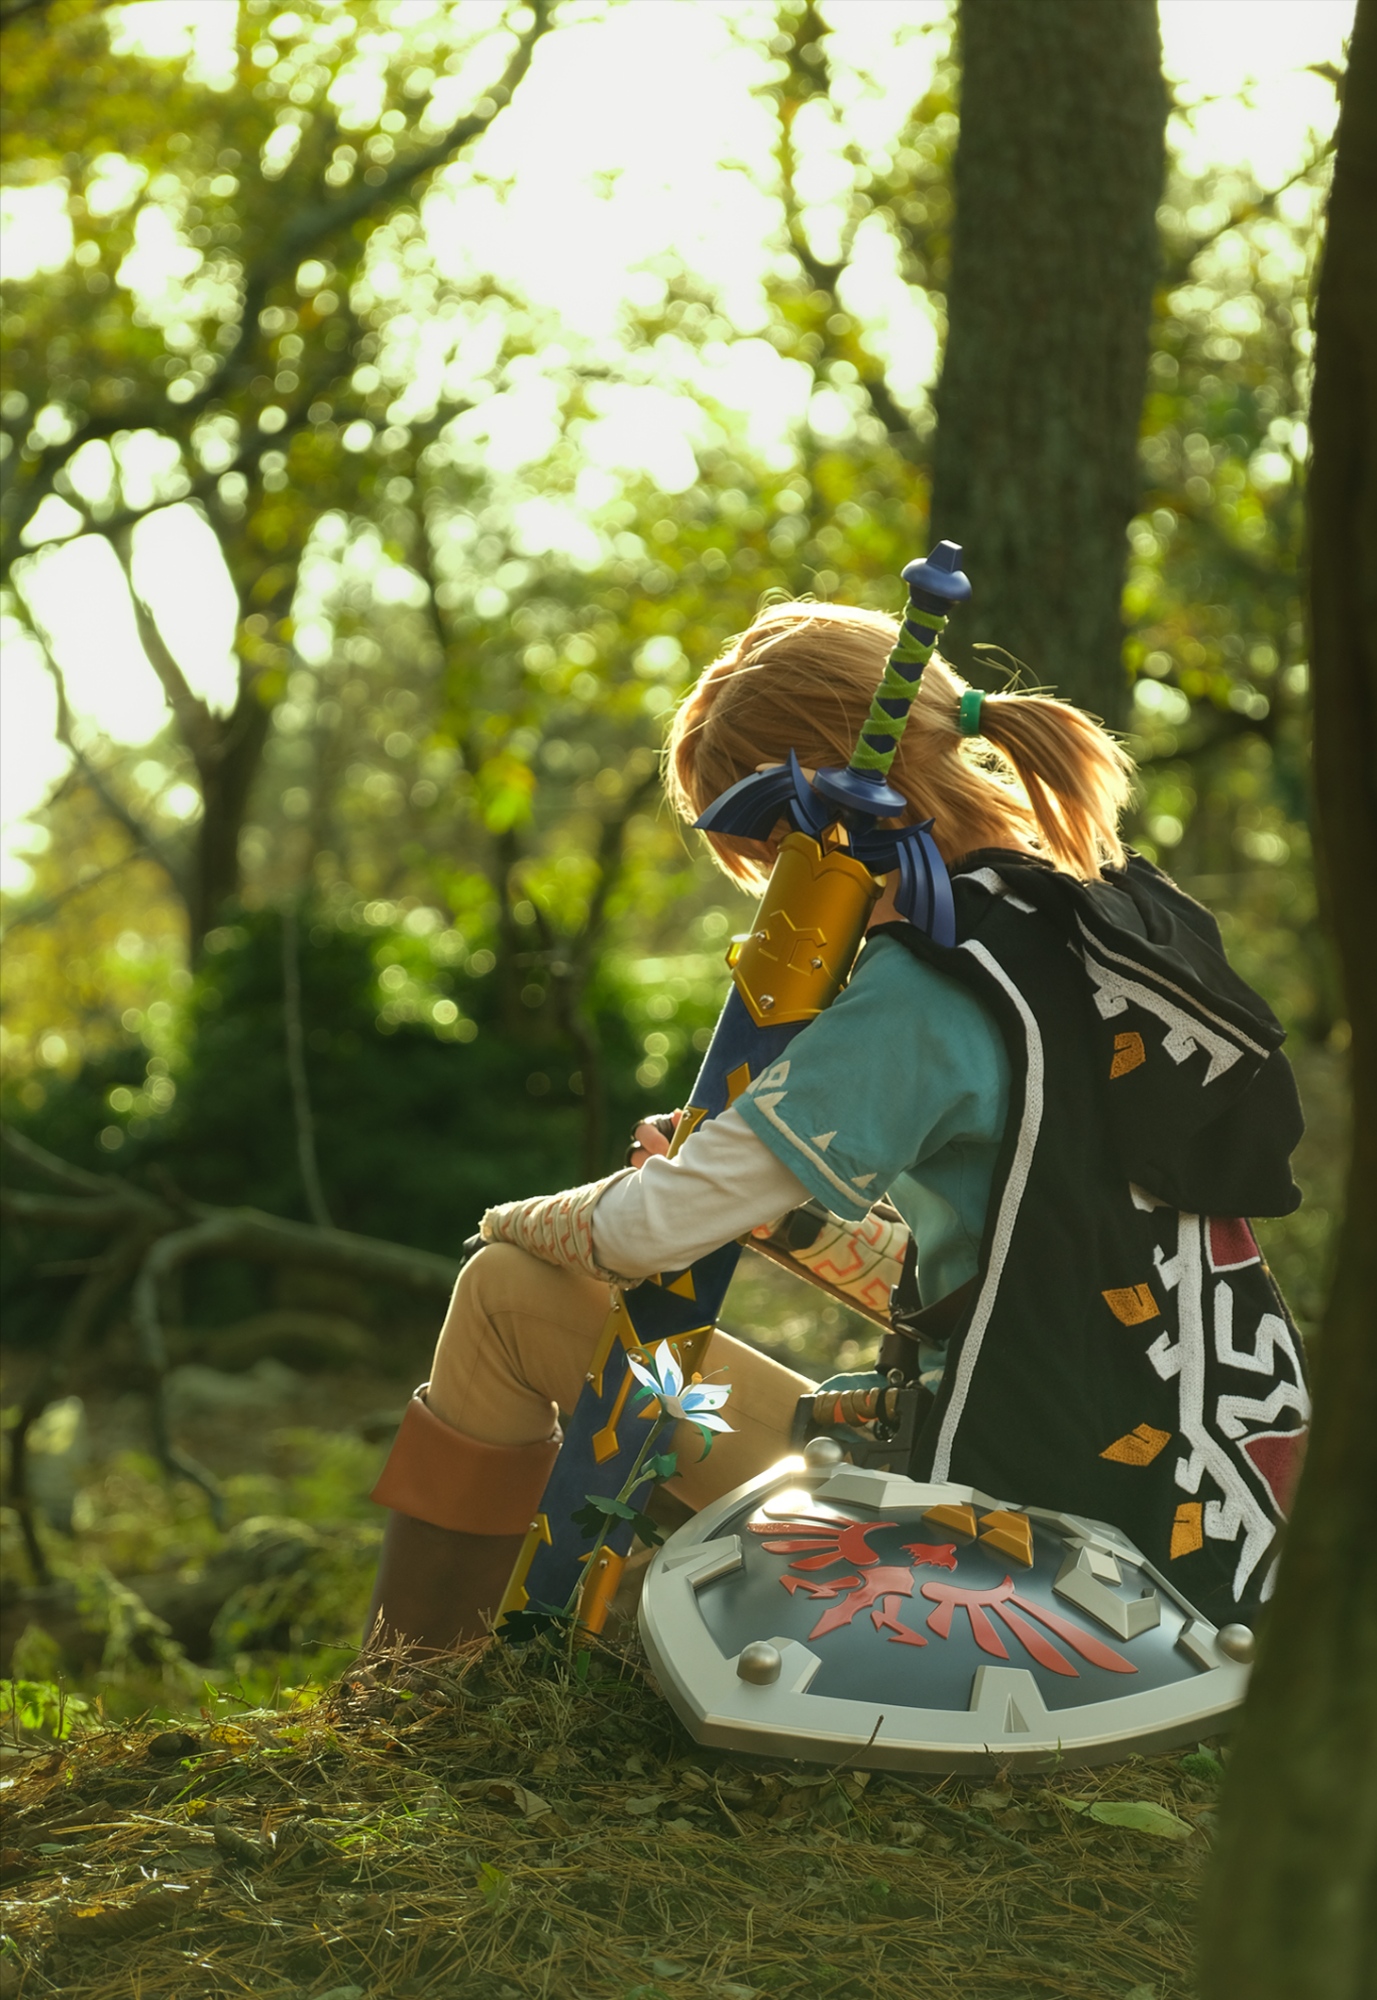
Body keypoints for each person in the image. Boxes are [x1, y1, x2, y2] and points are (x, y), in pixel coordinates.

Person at [365, 602, 1307, 1653]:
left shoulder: (929, 990)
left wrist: (521, 1216)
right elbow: (1026, 1273)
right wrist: (771, 1210)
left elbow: (640, 1233)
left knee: (505, 1293)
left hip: (1006, 1551)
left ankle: (411, 1686)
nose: (772, 896)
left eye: (767, 860)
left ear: (805, 825)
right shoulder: (1107, 929)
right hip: (1212, 1549)